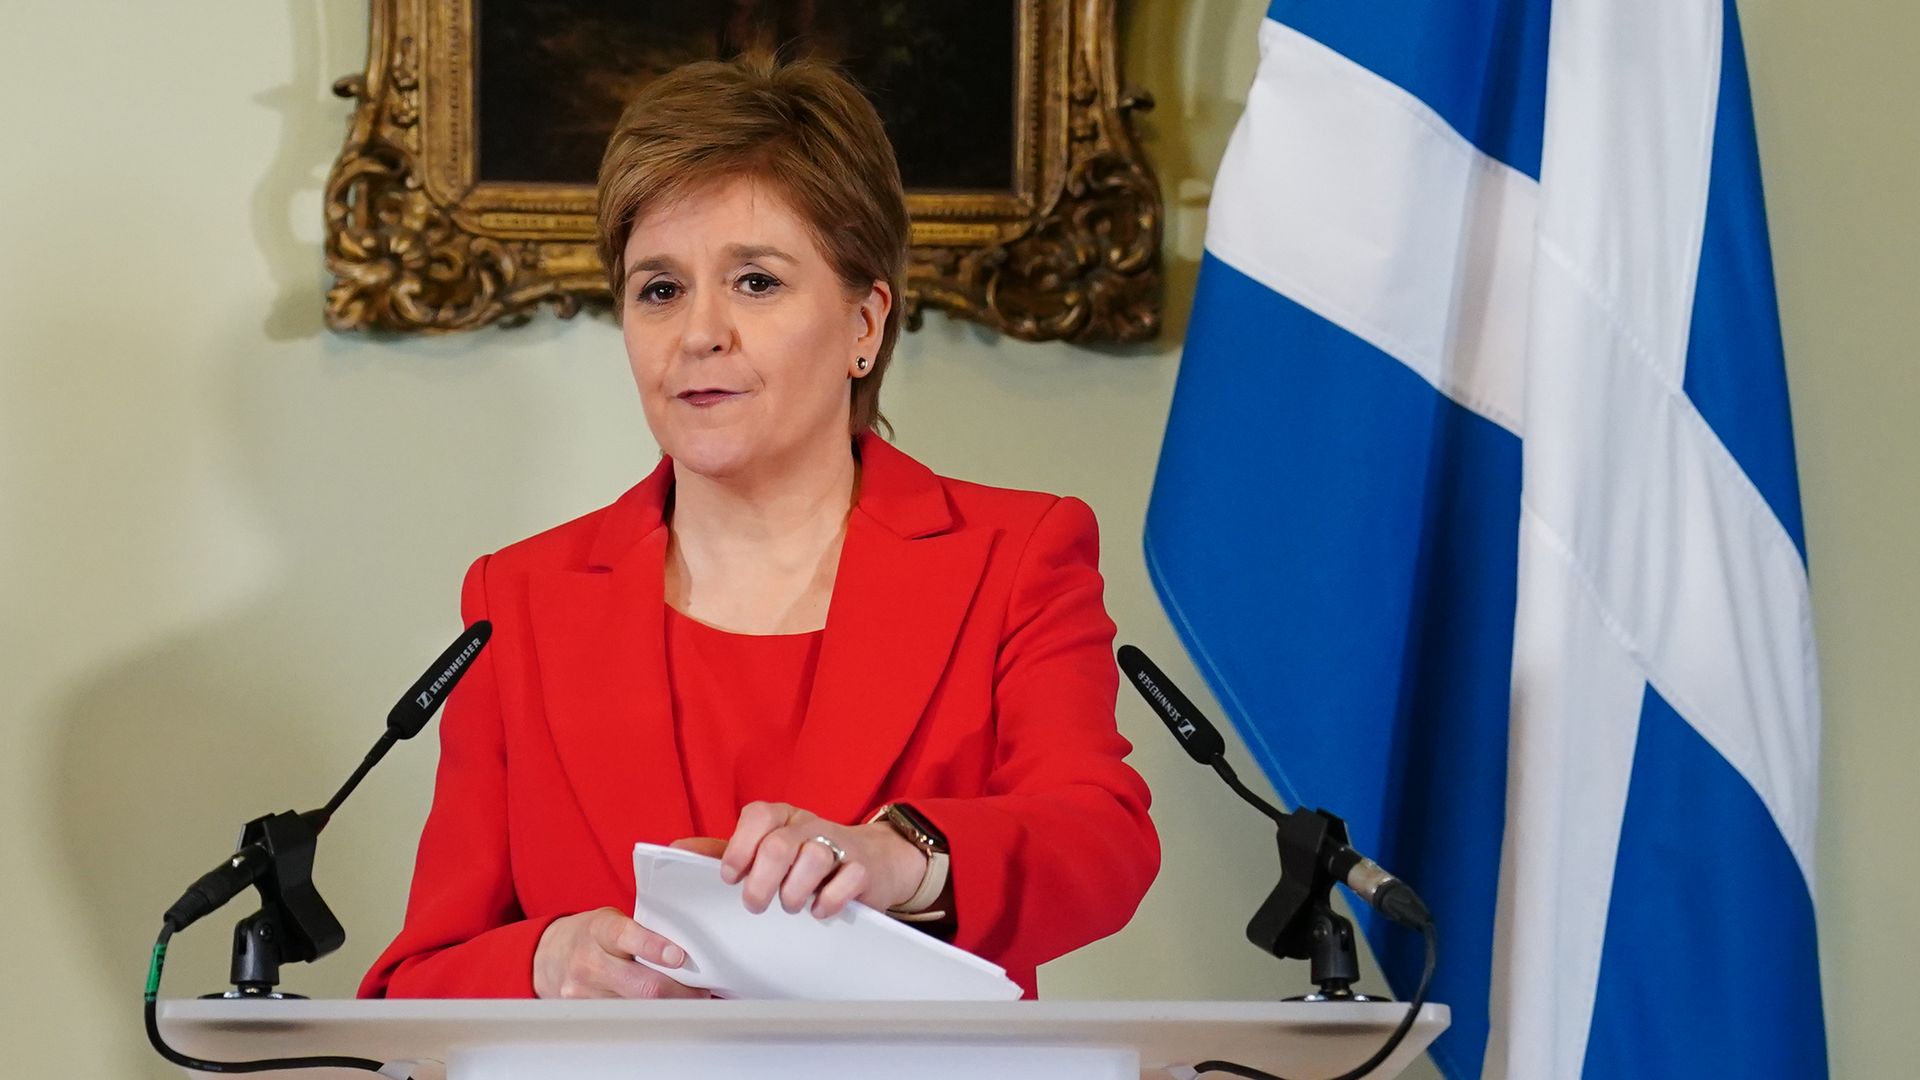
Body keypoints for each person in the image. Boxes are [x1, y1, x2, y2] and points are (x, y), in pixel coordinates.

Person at [359, 54, 1159, 1002]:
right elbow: (418, 982)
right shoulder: (519, 599)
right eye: (660, 289)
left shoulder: (1015, 557)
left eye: (755, 281)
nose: (700, 332)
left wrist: (903, 858)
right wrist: (544, 963)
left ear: (865, 324)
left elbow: (1102, 842)